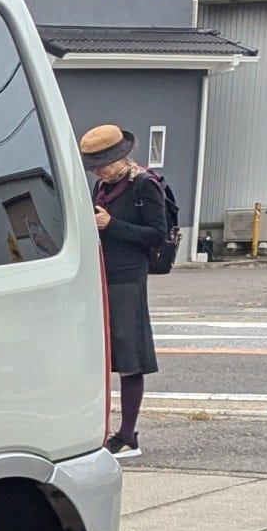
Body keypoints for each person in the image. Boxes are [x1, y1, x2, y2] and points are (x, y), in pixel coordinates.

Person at [80, 123, 167, 459]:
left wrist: (111, 225)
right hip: (100, 275)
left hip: (129, 276)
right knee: (103, 355)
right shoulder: (102, 186)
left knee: (130, 356)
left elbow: (156, 234)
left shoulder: (144, 184)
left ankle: (128, 435)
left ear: (120, 157)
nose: (99, 171)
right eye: (94, 166)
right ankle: (102, 430)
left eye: (103, 163)